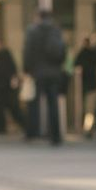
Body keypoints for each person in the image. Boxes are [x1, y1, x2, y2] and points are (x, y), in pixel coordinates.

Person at [23, 10, 66, 145]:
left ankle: (32, 132)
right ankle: (55, 135)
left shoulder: (32, 31)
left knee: (33, 103)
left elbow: (28, 51)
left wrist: (27, 69)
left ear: (38, 17)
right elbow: (63, 52)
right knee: (53, 104)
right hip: (53, 73)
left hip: (37, 72)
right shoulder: (56, 30)